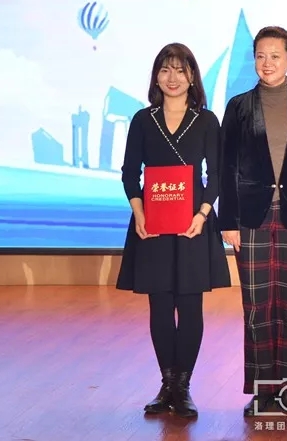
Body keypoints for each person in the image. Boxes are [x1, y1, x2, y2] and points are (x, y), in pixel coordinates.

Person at [116, 43, 232, 418]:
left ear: (192, 77)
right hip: (152, 225)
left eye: (181, 70)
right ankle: (166, 384)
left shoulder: (206, 120)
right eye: (165, 70)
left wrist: (203, 213)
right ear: (156, 77)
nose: (173, 77)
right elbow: (129, 172)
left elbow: (216, 174)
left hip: (193, 225)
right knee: (161, 306)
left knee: (190, 305)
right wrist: (139, 212)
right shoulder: (142, 120)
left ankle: (183, 387)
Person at [219, 26, 287, 417]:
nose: (267, 63)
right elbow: (226, 166)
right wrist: (227, 221)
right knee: (256, 306)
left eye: (275, 56)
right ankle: (261, 390)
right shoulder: (238, 107)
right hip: (250, 216)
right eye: (261, 56)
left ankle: (286, 388)